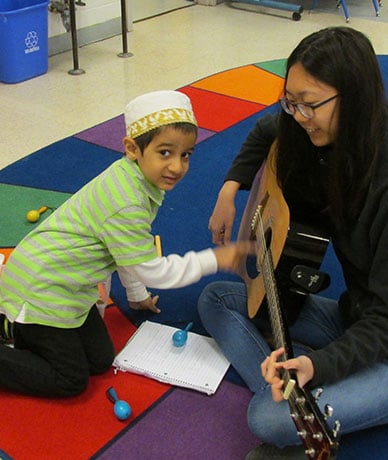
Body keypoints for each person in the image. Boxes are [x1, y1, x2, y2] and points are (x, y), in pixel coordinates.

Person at [198, 27, 388, 459]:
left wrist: (318, 366)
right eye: (291, 100)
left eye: (310, 104)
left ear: (354, 98)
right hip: (357, 316)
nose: (298, 115)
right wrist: (231, 188)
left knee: (267, 418)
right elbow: (269, 130)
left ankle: (295, 398)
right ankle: (298, 388)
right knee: (217, 299)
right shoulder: (321, 132)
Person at [0, 90, 250, 398]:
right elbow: (153, 270)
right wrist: (216, 259)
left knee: (101, 359)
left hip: (66, 285)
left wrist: (136, 295)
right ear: (133, 149)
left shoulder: (134, 179)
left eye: (186, 154)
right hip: (41, 289)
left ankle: (18, 329)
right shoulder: (127, 202)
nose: (177, 166)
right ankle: (16, 325)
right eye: (165, 153)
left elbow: (127, 251)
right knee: (70, 380)